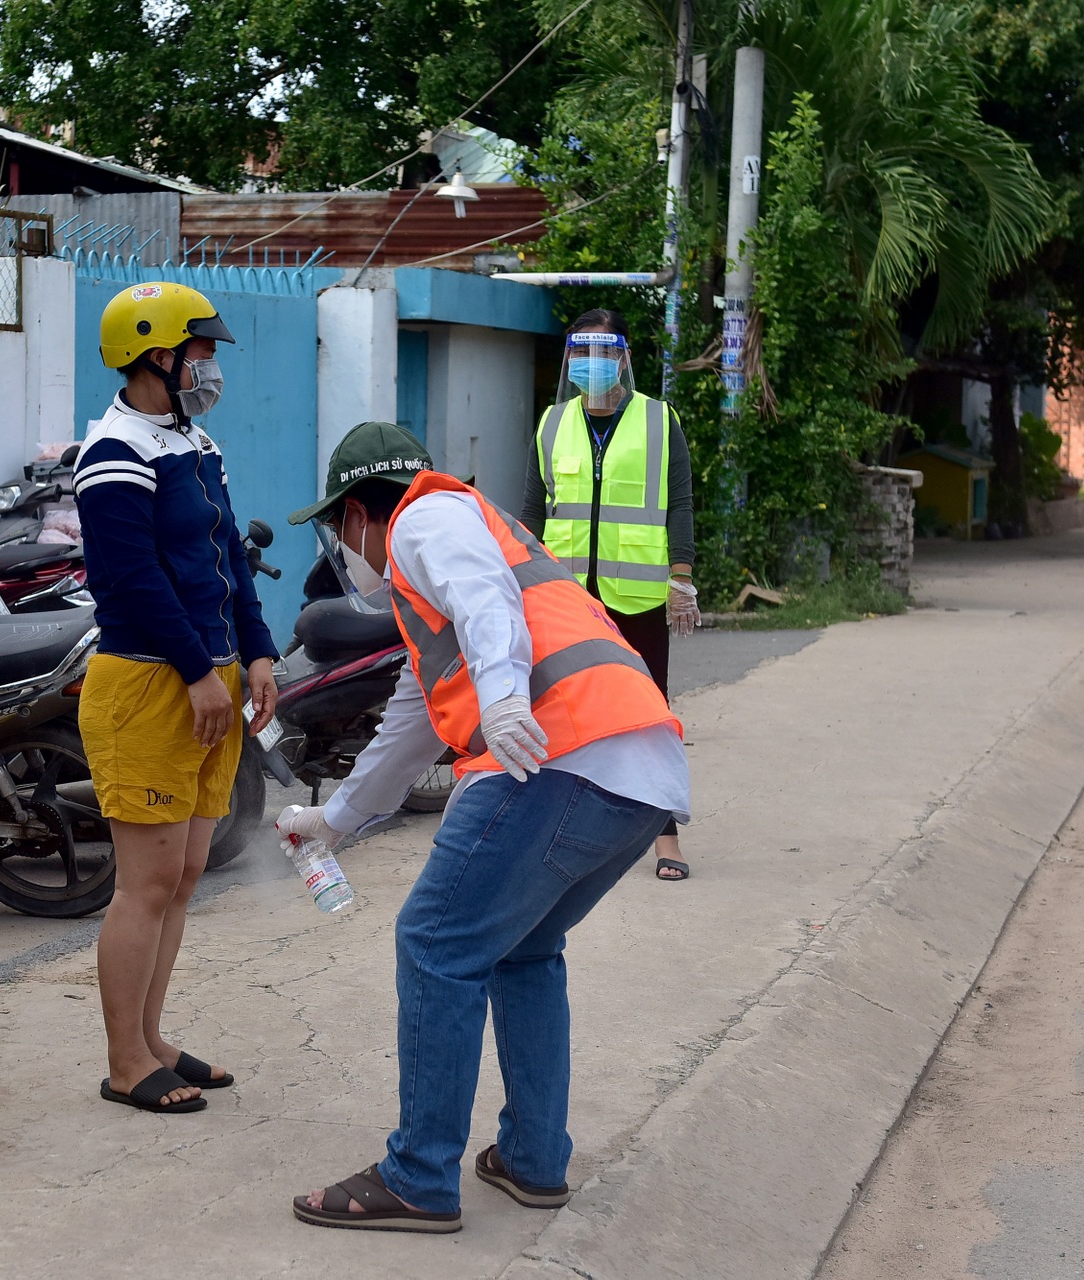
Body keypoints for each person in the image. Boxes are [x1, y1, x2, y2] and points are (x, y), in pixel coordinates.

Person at [279, 422, 690, 1232]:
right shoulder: (444, 575)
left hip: (558, 758)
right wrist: (334, 819)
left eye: (338, 527)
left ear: (360, 512)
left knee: (434, 944)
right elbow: (411, 724)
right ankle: (534, 1161)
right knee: (525, 950)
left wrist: (503, 698)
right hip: (640, 775)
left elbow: (484, 600)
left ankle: (419, 1176)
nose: (344, 546)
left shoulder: (425, 520)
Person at [73, 281, 280, 1113]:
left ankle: (152, 1039)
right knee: (146, 882)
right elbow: (132, 583)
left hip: (212, 676)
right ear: (156, 353)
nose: (210, 364)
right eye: (201, 350)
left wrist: (257, 655)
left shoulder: (194, 444)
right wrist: (200, 672)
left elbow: (226, 557)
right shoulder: (114, 454)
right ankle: (125, 1062)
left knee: (186, 872)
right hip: (153, 683)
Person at [521, 309, 699, 880]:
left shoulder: (658, 419)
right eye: (581, 352)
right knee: (562, 707)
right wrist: (521, 578)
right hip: (566, 595)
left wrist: (682, 576)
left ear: (624, 357)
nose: (591, 364)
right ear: (570, 358)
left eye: (603, 352)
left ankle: (664, 835)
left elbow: (680, 501)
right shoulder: (551, 422)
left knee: (649, 712)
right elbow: (531, 510)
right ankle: (559, 830)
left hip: (640, 593)